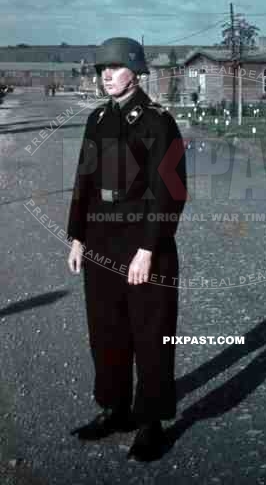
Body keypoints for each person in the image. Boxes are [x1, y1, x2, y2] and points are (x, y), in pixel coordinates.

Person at [66, 37, 188, 461]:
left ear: (135, 71)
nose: (106, 75)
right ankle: (115, 408)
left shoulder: (158, 122)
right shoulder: (98, 119)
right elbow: (83, 182)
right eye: (102, 69)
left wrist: (148, 249)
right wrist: (77, 237)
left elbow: (170, 193)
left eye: (115, 68)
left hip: (143, 244)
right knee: (106, 331)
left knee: (151, 335)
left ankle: (151, 422)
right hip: (100, 240)